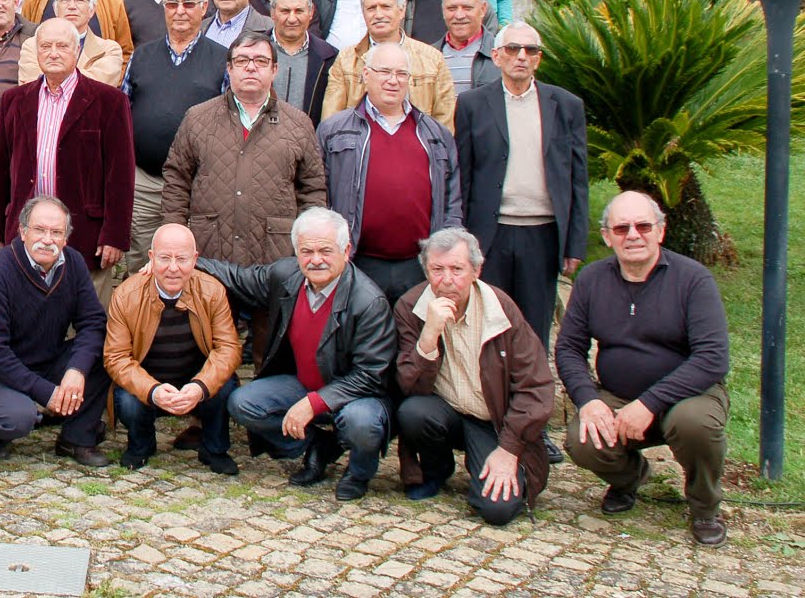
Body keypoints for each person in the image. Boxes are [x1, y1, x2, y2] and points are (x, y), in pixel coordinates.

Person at [557, 191, 732, 546]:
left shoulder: (693, 279)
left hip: (689, 395)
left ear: (661, 231)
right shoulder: (591, 280)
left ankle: (704, 506)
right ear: (607, 237)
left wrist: (650, 403)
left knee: (693, 424)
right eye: (621, 228)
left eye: (643, 226)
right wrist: (588, 400)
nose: (633, 235)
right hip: (618, 394)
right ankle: (630, 481)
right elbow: (569, 348)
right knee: (582, 439)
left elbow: (712, 357)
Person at [199, 208, 394, 501]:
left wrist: (314, 404)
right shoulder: (286, 275)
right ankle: (318, 445)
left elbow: (370, 375)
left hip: (356, 395)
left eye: (325, 251)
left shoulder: (369, 302)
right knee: (243, 403)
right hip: (303, 383)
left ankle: (359, 472)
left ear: (347, 250)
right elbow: (238, 278)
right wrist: (185, 262)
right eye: (307, 251)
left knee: (361, 423)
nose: (316, 260)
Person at [394, 228, 555, 524]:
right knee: (414, 412)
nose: (447, 280)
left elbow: (537, 388)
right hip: (448, 412)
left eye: (457, 269)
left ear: (476, 270)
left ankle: (488, 466)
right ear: (426, 270)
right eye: (437, 269)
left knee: (497, 510)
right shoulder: (411, 306)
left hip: (495, 422)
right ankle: (436, 469)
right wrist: (428, 337)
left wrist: (509, 450)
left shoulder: (500, 308)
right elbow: (408, 385)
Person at [0, 18, 135, 305]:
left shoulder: (109, 101)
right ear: (36, 52)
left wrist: (115, 235)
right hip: (26, 233)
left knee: (85, 325)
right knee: (28, 320)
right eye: (46, 46)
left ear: (77, 51)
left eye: (62, 46)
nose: (53, 52)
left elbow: (121, 176)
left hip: (85, 235)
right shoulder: (14, 100)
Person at [455, 28, 586, 358]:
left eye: (531, 50)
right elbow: (464, 175)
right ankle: (491, 399)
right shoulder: (472, 104)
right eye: (513, 49)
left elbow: (577, 180)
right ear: (497, 56)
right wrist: (462, 238)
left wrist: (574, 243)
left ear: (539, 59)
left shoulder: (566, 106)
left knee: (534, 325)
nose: (522, 56)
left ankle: (533, 399)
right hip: (491, 234)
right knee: (491, 321)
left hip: (542, 235)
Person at [163, 30, 327, 266]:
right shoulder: (197, 118)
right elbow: (177, 181)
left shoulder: (299, 124)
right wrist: (175, 239)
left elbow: (312, 192)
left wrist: (307, 249)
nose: (251, 67)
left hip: (275, 260)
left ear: (274, 70)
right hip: (209, 255)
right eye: (242, 60)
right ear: (229, 69)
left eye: (261, 61)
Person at [0, 196, 112, 465]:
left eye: (56, 232)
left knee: (105, 351)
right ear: (23, 231)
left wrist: (76, 370)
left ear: (66, 238)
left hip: (49, 360)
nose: (47, 240)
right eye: (39, 230)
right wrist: (47, 393)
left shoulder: (74, 263)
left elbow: (93, 322)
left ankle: (77, 437)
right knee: (16, 419)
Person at [316, 42, 462, 304]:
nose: (393, 81)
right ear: (366, 74)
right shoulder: (334, 130)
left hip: (418, 265)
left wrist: (447, 252)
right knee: (362, 341)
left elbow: (452, 200)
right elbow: (318, 194)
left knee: (413, 340)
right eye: (384, 72)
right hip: (357, 262)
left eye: (401, 74)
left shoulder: (435, 135)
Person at [104, 224, 241, 473]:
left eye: (182, 259)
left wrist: (200, 387)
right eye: (165, 258)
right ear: (151, 258)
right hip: (149, 384)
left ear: (195, 259)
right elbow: (116, 358)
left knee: (225, 385)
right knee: (126, 399)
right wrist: (153, 390)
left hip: (195, 382)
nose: (173, 268)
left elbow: (228, 349)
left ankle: (214, 449)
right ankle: (141, 445)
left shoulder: (213, 290)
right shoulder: (126, 295)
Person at [122, 0, 226, 275]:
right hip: (145, 180)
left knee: (187, 261)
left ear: (204, 8)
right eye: (172, 4)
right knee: (141, 256)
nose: (180, 10)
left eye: (188, 4)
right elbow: (124, 109)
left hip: (197, 182)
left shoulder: (221, 59)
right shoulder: (142, 56)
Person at [320, 0, 457, 130]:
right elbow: (331, 123)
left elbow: (444, 126)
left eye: (386, 7)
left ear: (402, 10)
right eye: (371, 8)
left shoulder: (432, 59)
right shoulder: (346, 59)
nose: (378, 14)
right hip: (361, 150)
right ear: (363, 13)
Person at [19, 0, 124, 86]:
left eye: (79, 0)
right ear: (55, 8)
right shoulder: (32, 46)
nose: (72, 6)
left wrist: (50, 78)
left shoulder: (109, 50)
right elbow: (31, 87)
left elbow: (98, 89)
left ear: (92, 10)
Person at [266, 0, 337, 122]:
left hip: (308, 140)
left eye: (299, 11)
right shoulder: (252, 51)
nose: (292, 19)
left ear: (311, 13)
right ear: (272, 13)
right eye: (285, 11)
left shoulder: (329, 57)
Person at [438, 0, 500, 93]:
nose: (459, 15)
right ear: (443, 10)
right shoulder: (429, 56)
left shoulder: (501, 55)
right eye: (452, 8)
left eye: (467, 8)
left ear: (483, 9)